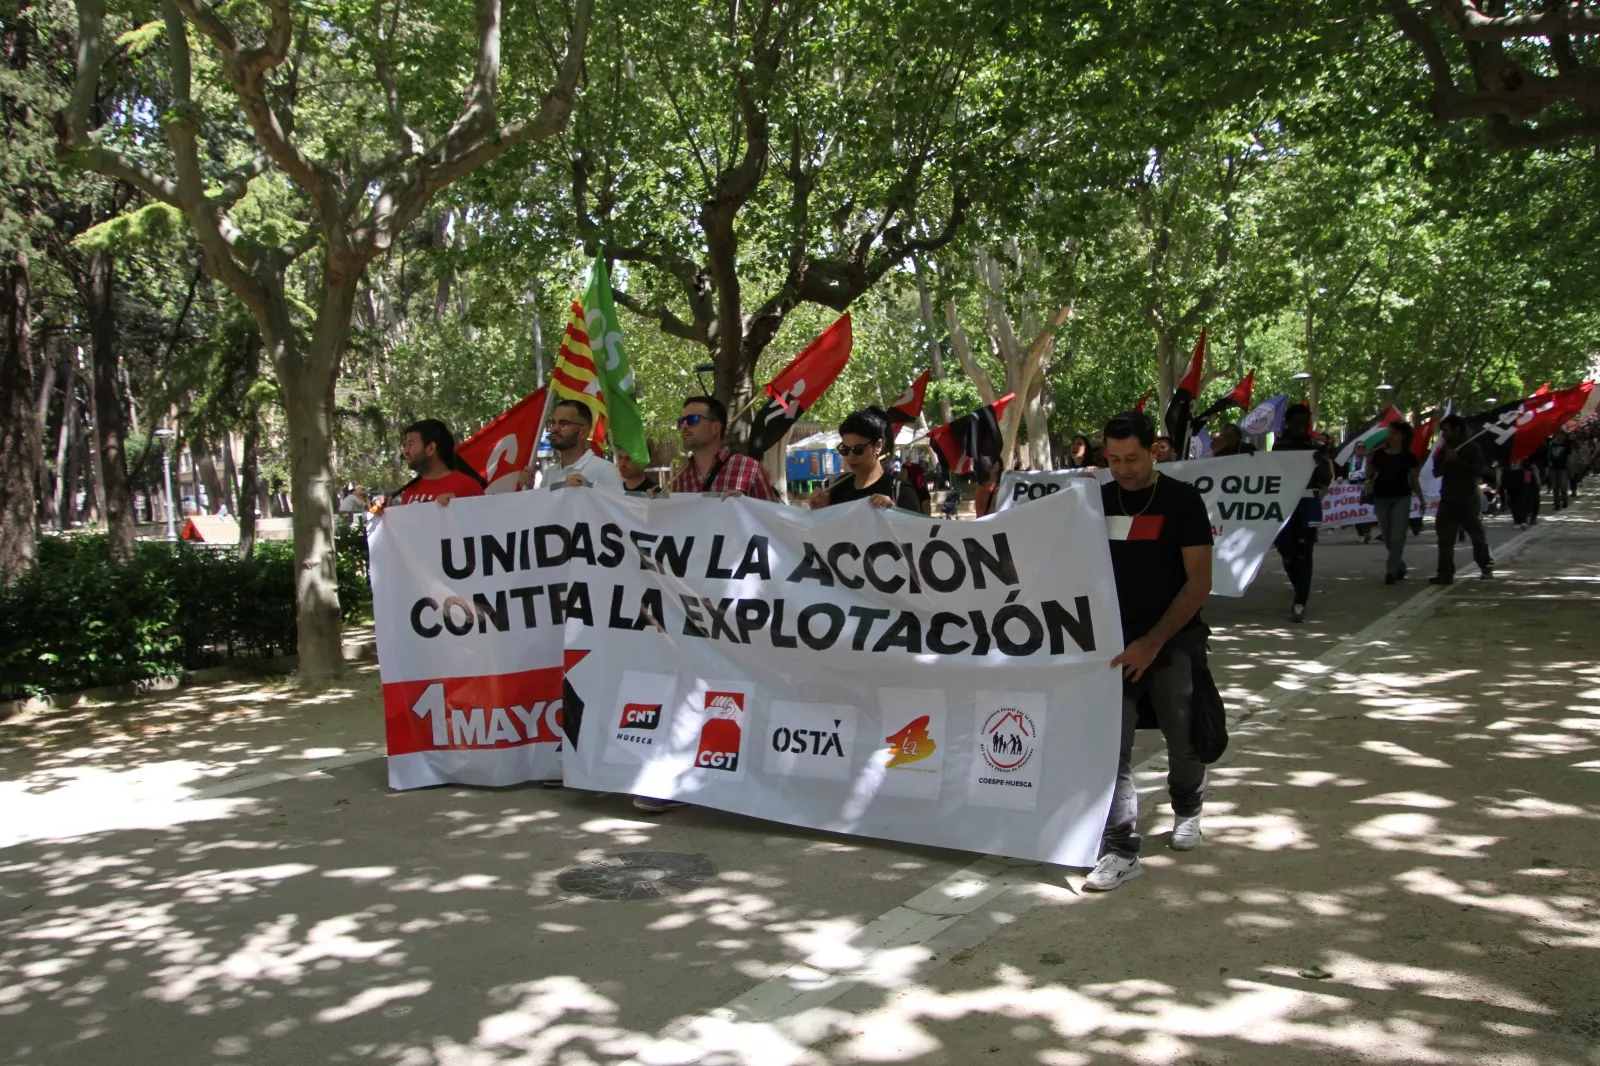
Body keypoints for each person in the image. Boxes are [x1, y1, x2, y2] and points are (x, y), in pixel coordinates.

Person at [1085, 410, 1215, 893]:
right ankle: (1121, 849)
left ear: (1155, 450)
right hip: (1112, 647)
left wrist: (1152, 642)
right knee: (1109, 748)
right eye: (1114, 459)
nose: (1123, 469)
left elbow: (1198, 584)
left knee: (1183, 738)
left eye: (1132, 458)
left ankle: (1188, 807)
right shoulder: (1094, 502)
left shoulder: (1183, 501)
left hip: (1173, 639)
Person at [1272, 404, 1333, 623]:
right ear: (1288, 423)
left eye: (1305, 423)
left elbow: (1326, 479)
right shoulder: (1279, 446)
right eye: (1297, 423)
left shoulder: (1315, 446)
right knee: (1285, 549)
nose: (1301, 427)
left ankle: (1300, 600)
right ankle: (1299, 586)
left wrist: (1321, 462)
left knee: (1305, 552)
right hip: (1285, 504)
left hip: (1308, 503)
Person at [667, 396, 779, 501]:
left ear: (715, 428)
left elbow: (771, 513)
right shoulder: (681, 477)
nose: (684, 426)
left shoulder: (750, 468)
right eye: (681, 421)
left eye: (692, 419)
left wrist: (746, 504)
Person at [809, 409, 922, 511]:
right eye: (844, 449)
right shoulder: (834, 489)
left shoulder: (900, 492)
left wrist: (895, 513)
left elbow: (915, 527)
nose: (851, 456)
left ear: (878, 446)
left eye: (858, 449)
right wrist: (821, 511)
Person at [1431, 415, 1494, 584]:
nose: (1443, 434)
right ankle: (1445, 573)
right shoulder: (1444, 449)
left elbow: (1478, 470)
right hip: (1448, 499)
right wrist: (1446, 461)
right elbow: (1436, 472)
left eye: (1446, 430)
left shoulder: (1472, 447)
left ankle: (1485, 566)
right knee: (1445, 539)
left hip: (1468, 500)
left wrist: (1458, 461)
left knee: (1477, 536)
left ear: (1457, 429)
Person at [1364, 421, 1424, 585]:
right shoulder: (1379, 454)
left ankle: (1391, 572)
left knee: (1398, 536)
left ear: (1402, 436)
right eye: (1390, 432)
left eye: (1394, 433)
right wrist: (1369, 460)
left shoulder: (1409, 457)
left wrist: (1421, 499)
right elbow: (1368, 475)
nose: (1390, 436)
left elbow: (1414, 480)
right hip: (1381, 498)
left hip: (1401, 498)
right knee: (1388, 537)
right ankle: (1399, 565)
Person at [384, 419, 487, 506]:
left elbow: (485, 520)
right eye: (405, 445)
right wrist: (383, 512)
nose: (406, 451)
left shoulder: (468, 486)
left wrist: (458, 506)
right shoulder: (409, 491)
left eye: (411, 444)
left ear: (430, 448)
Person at [1547, 429, 1573, 511]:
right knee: (1555, 487)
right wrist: (1549, 463)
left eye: (1563, 435)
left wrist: (1569, 466)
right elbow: (1548, 455)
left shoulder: (1566, 444)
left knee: (1563, 485)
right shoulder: (1551, 444)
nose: (1561, 437)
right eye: (1559, 435)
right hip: (1553, 468)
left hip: (1563, 468)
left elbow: (1569, 456)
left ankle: (1564, 501)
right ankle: (1557, 503)